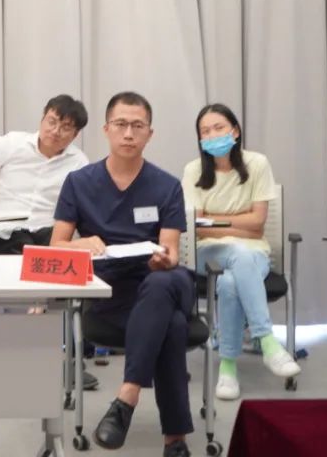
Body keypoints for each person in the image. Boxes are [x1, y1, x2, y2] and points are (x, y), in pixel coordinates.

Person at [51, 91, 193, 457]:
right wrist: (81, 245)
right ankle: (175, 442)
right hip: (110, 292)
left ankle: (126, 397)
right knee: (173, 326)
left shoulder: (166, 185)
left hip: (162, 280)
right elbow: (56, 245)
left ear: (149, 133)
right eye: (121, 124)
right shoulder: (79, 182)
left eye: (137, 126)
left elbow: (171, 250)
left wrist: (163, 260)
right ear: (106, 129)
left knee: (162, 280)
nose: (129, 133)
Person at [181, 104, 300, 401]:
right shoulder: (193, 170)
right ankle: (267, 341)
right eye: (205, 131)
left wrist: (217, 221)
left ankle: (228, 367)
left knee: (229, 281)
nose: (212, 135)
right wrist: (239, 224)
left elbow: (258, 223)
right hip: (207, 253)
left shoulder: (257, 164)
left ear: (234, 131)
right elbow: (196, 226)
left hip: (254, 252)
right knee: (237, 252)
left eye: (218, 128)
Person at [0, 94, 89, 254]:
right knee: (24, 258)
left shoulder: (78, 162)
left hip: (48, 233)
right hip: (5, 231)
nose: (55, 131)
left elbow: (85, 206)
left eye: (65, 128)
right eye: (52, 122)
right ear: (42, 118)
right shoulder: (13, 143)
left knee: (59, 257)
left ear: (75, 134)